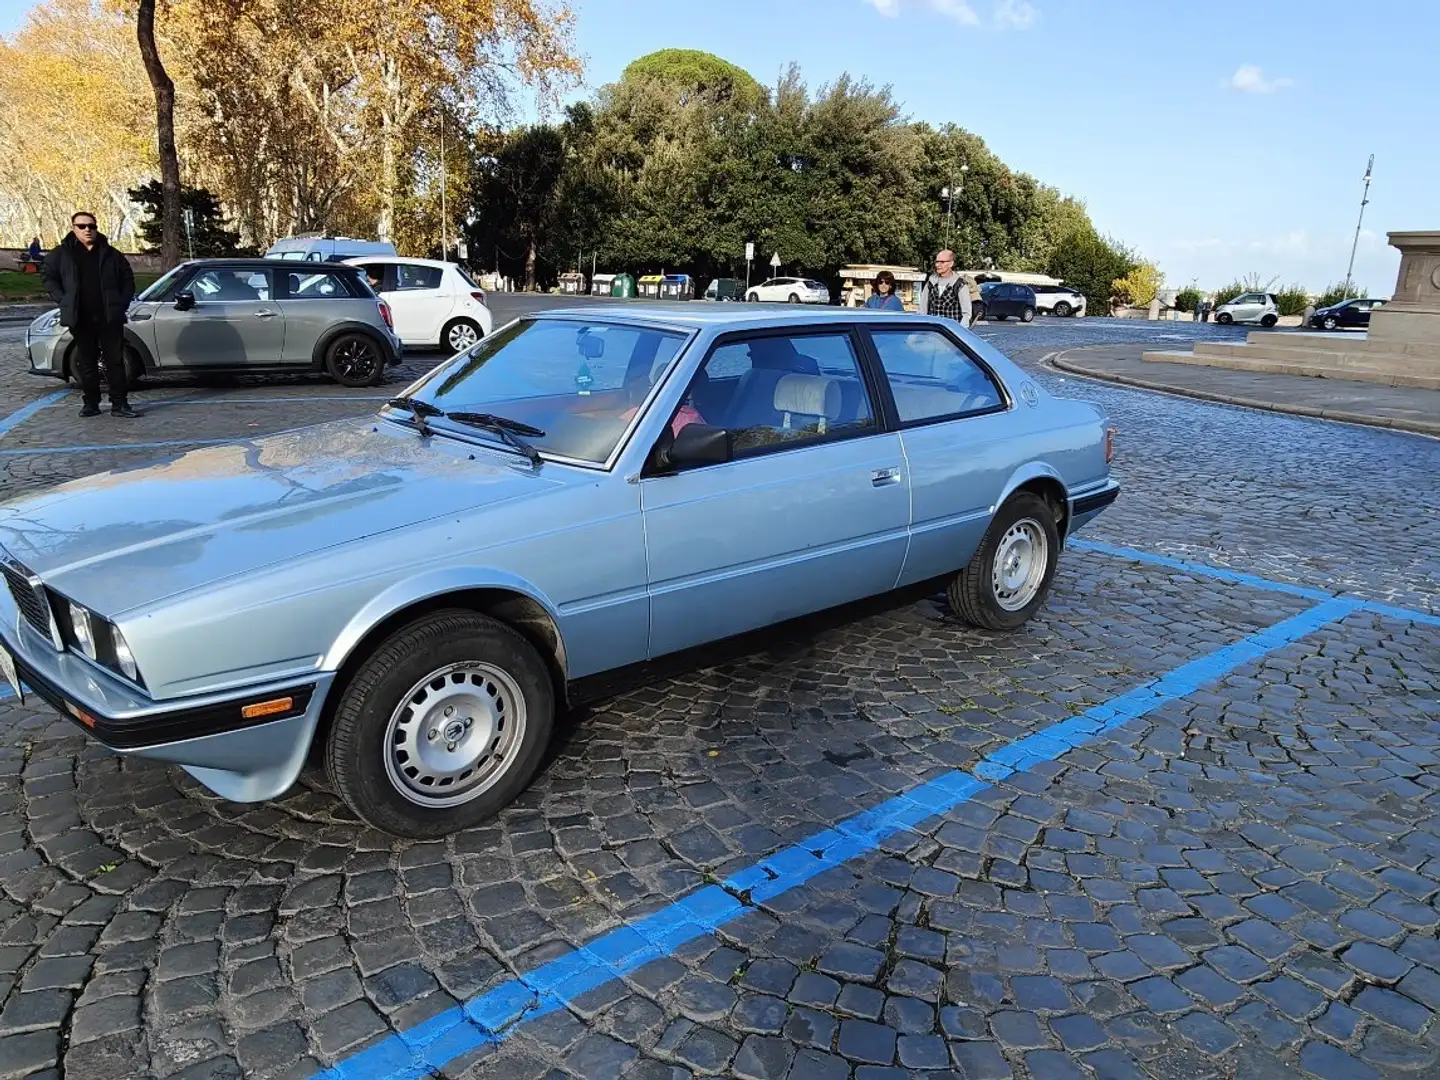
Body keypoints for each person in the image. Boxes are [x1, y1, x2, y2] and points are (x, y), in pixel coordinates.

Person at [42, 212, 139, 417]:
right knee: (87, 362)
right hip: (80, 317)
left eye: (91, 226)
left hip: (109, 316)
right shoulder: (61, 254)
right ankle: (91, 403)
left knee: (115, 361)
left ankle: (119, 404)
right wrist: (63, 299)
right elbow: (48, 277)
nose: (88, 230)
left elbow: (128, 279)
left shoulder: (111, 253)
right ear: (73, 228)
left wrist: (121, 303)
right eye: (82, 226)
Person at [918, 250, 972, 327]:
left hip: (951, 333)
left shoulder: (959, 285)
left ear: (951, 264)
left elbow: (966, 315)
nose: (938, 265)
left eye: (942, 262)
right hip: (933, 332)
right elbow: (922, 310)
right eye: (937, 262)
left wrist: (958, 333)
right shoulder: (930, 283)